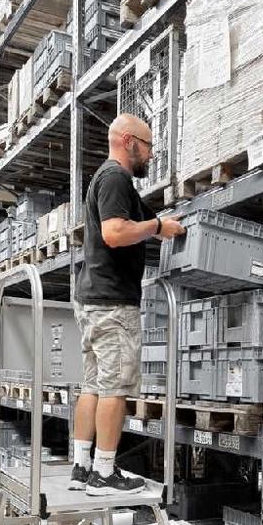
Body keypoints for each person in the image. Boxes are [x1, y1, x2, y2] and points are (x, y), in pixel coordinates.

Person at [69, 113, 185, 495]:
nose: (150, 155)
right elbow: (115, 233)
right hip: (113, 302)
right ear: (129, 141)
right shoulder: (116, 177)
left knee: (93, 384)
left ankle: (82, 465)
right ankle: (105, 473)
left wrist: (159, 223)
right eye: (148, 147)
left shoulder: (107, 180)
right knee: (115, 387)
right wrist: (157, 228)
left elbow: (129, 223)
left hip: (93, 299)